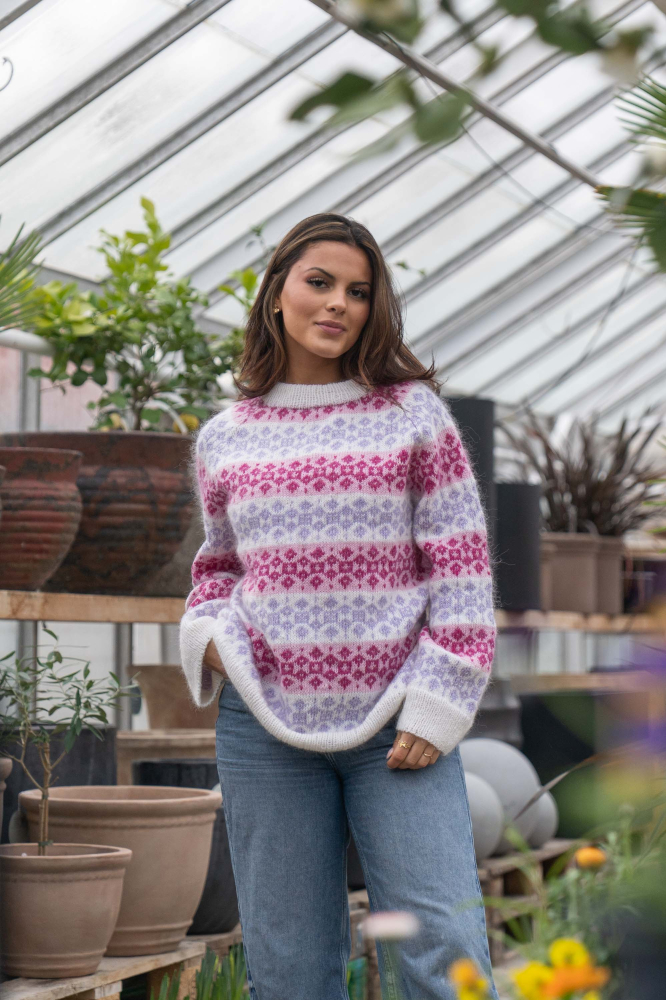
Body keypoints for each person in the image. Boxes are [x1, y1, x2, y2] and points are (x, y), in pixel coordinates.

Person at [179, 213, 499, 1000]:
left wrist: (441, 698)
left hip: (397, 724)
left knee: (442, 952)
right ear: (275, 294)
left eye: (357, 292)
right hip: (262, 726)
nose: (337, 304)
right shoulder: (225, 436)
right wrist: (206, 635)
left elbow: (460, 567)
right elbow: (217, 566)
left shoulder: (412, 415)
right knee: (286, 967)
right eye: (318, 283)